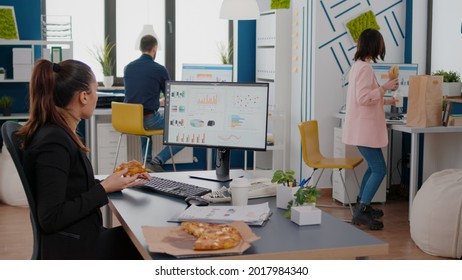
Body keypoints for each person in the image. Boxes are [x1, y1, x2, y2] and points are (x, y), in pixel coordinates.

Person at [17, 59, 150, 259]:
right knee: (148, 244)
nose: (97, 97)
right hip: (74, 249)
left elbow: (72, 189)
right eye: (96, 91)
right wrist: (103, 189)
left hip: (80, 237)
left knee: (143, 237)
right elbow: (50, 217)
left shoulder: (56, 133)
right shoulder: (53, 143)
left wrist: (116, 183)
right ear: (84, 97)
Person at [342, 28, 399, 230]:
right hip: (363, 130)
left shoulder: (358, 65)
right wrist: (384, 88)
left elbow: (366, 97)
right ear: (375, 46)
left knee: (373, 167)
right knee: (379, 169)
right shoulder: (365, 68)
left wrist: (387, 98)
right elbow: (364, 98)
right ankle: (362, 209)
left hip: (361, 129)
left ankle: (361, 205)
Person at [123, 35, 183, 172]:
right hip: (148, 119)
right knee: (183, 131)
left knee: (145, 122)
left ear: (140, 48)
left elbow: (137, 95)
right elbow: (171, 95)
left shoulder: (128, 68)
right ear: (154, 48)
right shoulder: (159, 69)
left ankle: (147, 163)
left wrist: (156, 101)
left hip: (131, 120)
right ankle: (158, 160)